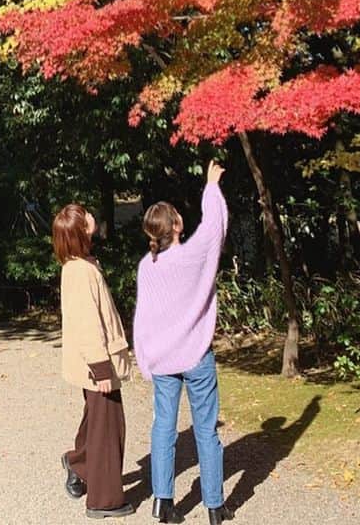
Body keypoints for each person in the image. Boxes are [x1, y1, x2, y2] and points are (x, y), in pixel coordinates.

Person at [133, 163, 229, 525]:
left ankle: (163, 502)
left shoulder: (148, 266)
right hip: (196, 355)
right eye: (176, 216)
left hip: (163, 359)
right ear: (175, 226)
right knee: (206, 430)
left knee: (163, 428)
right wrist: (211, 186)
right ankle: (215, 507)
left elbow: (143, 318)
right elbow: (214, 226)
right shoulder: (191, 255)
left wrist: (144, 357)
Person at [53, 203, 135, 519]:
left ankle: (79, 462)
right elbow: (87, 324)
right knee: (108, 428)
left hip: (94, 363)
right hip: (97, 364)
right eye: (85, 216)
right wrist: (101, 368)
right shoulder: (80, 271)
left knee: (97, 420)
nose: (91, 217)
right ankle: (104, 500)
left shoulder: (82, 264)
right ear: (78, 231)